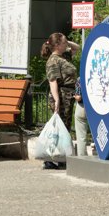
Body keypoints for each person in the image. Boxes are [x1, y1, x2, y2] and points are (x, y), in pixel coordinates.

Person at [41, 32, 81, 169]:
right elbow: (52, 81)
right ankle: (50, 159)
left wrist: (66, 42)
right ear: (57, 45)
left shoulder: (64, 56)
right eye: (64, 42)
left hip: (68, 95)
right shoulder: (53, 60)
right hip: (61, 95)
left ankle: (61, 158)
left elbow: (77, 47)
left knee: (65, 127)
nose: (67, 44)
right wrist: (57, 100)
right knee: (59, 129)